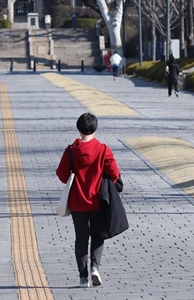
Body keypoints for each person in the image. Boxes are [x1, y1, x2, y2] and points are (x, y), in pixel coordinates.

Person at [56, 113, 121, 288]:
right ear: (95, 128)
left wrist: (72, 178)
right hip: (98, 201)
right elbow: (114, 173)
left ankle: (83, 277)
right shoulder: (103, 149)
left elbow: (61, 173)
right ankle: (95, 268)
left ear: (78, 129)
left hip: (77, 202)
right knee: (98, 235)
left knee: (81, 238)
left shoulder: (71, 150)